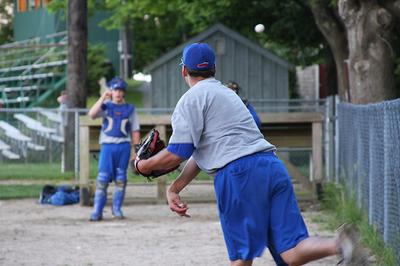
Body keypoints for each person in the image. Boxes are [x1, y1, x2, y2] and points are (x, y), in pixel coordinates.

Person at [135, 43, 366, 265]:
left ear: (183, 70)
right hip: (271, 166)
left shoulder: (190, 99)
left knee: (240, 257)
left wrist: (144, 166)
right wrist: (175, 188)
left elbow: (179, 152)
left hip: (239, 174)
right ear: (214, 69)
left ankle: (341, 245)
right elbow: (200, 151)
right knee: (291, 250)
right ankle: (340, 244)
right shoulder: (228, 95)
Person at [88, 77, 141, 221]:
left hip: (123, 146)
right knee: (103, 178)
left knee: (121, 179)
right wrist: (102, 98)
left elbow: (135, 130)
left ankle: (116, 209)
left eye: (121, 90)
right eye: (115, 90)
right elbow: (92, 114)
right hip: (108, 146)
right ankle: (97, 211)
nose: (118, 93)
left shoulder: (130, 109)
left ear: (124, 92)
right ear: (111, 91)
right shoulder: (106, 106)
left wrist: (137, 151)